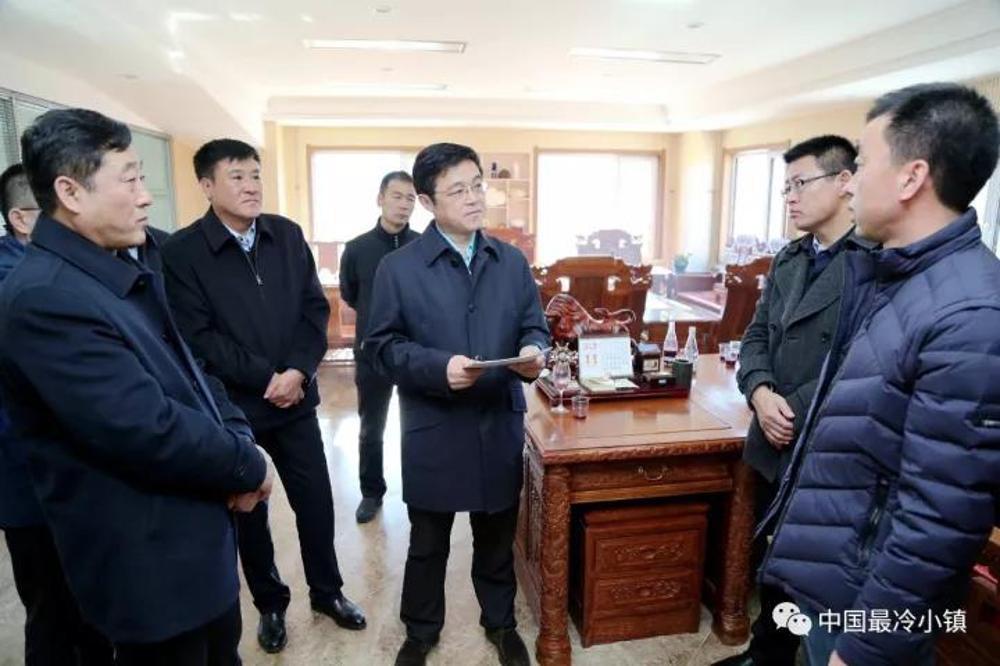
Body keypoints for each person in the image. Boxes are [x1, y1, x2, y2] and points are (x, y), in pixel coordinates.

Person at [0, 107, 273, 666]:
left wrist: (240, 437)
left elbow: (190, 368)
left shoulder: (121, 263)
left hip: (196, 543)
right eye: (129, 180)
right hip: (149, 564)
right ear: (70, 193)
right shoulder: (46, 297)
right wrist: (248, 465)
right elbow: (145, 428)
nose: (146, 197)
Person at [759, 83, 1000, 666]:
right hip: (841, 571)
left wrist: (867, 646)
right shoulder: (894, 276)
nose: (852, 183)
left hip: (870, 603)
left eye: (863, 165)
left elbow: (939, 517)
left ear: (911, 178)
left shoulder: (970, 313)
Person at [162, 139, 365, 655]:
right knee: (250, 512)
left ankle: (328, 592)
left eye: (256, 175)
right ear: (207, 186)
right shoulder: (182, 252)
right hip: (236, 410)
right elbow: (198, 336)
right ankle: (270, 604)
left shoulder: (286, 234)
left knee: (315, 501)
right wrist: (266, 378)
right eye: (237, 176)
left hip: (296, 402)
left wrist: (296, 371)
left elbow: (314, 310)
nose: (252, 186)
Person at [364, 143, 550, 666]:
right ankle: (420, 631)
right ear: (427, 202)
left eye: (477, 186)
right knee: (428, 542)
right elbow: (380, 348)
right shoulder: (398, 268)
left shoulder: (510, 261)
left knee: (496, 538)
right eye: (457, 190)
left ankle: (501, 623)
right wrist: (436, 367)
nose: (473, 198)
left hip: (497, 422)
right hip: (434, 425)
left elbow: (534, 325)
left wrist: (534, 351)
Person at [716, 136, 857, 666]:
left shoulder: (873, 261)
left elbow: (857, 361)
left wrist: (787, 406)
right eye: (786, 187)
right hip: (772, 429)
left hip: (824, 437)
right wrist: (759, 392)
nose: (790, 198)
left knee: (817, 565)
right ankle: (768, 652)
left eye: (801, 184)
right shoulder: (791, 257)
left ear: (844, 182)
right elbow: (755, 336)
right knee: (775, 553)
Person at [0, 163, 114, 665]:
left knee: (87, 610)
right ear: (23, 219)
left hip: (73, 482)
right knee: (51, 613)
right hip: (32, 485)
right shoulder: (26, 287)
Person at [339, 170, 420, 523]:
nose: (404, 204)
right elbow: (350, 294)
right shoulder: (357, 248)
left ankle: (421, 490)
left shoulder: (423, 246)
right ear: (380, 199)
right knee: (371, 427)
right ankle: (371, 492)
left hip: (415, 350)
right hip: (372, 351)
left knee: (418, 425)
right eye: (397, 196)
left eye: (410, 198)